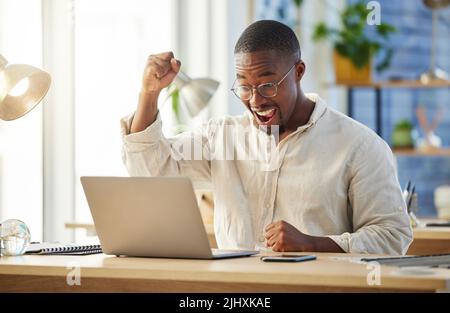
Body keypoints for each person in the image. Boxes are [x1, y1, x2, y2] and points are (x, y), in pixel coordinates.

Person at [121, 20, 412, 254]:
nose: (256, 101)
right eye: (244, 87)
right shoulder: (221, 136)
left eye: (268, 85)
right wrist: (149, 93)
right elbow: (151, 170)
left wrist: (313, 243)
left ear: (298, 72)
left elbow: (392, 236)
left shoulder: (359, 145)